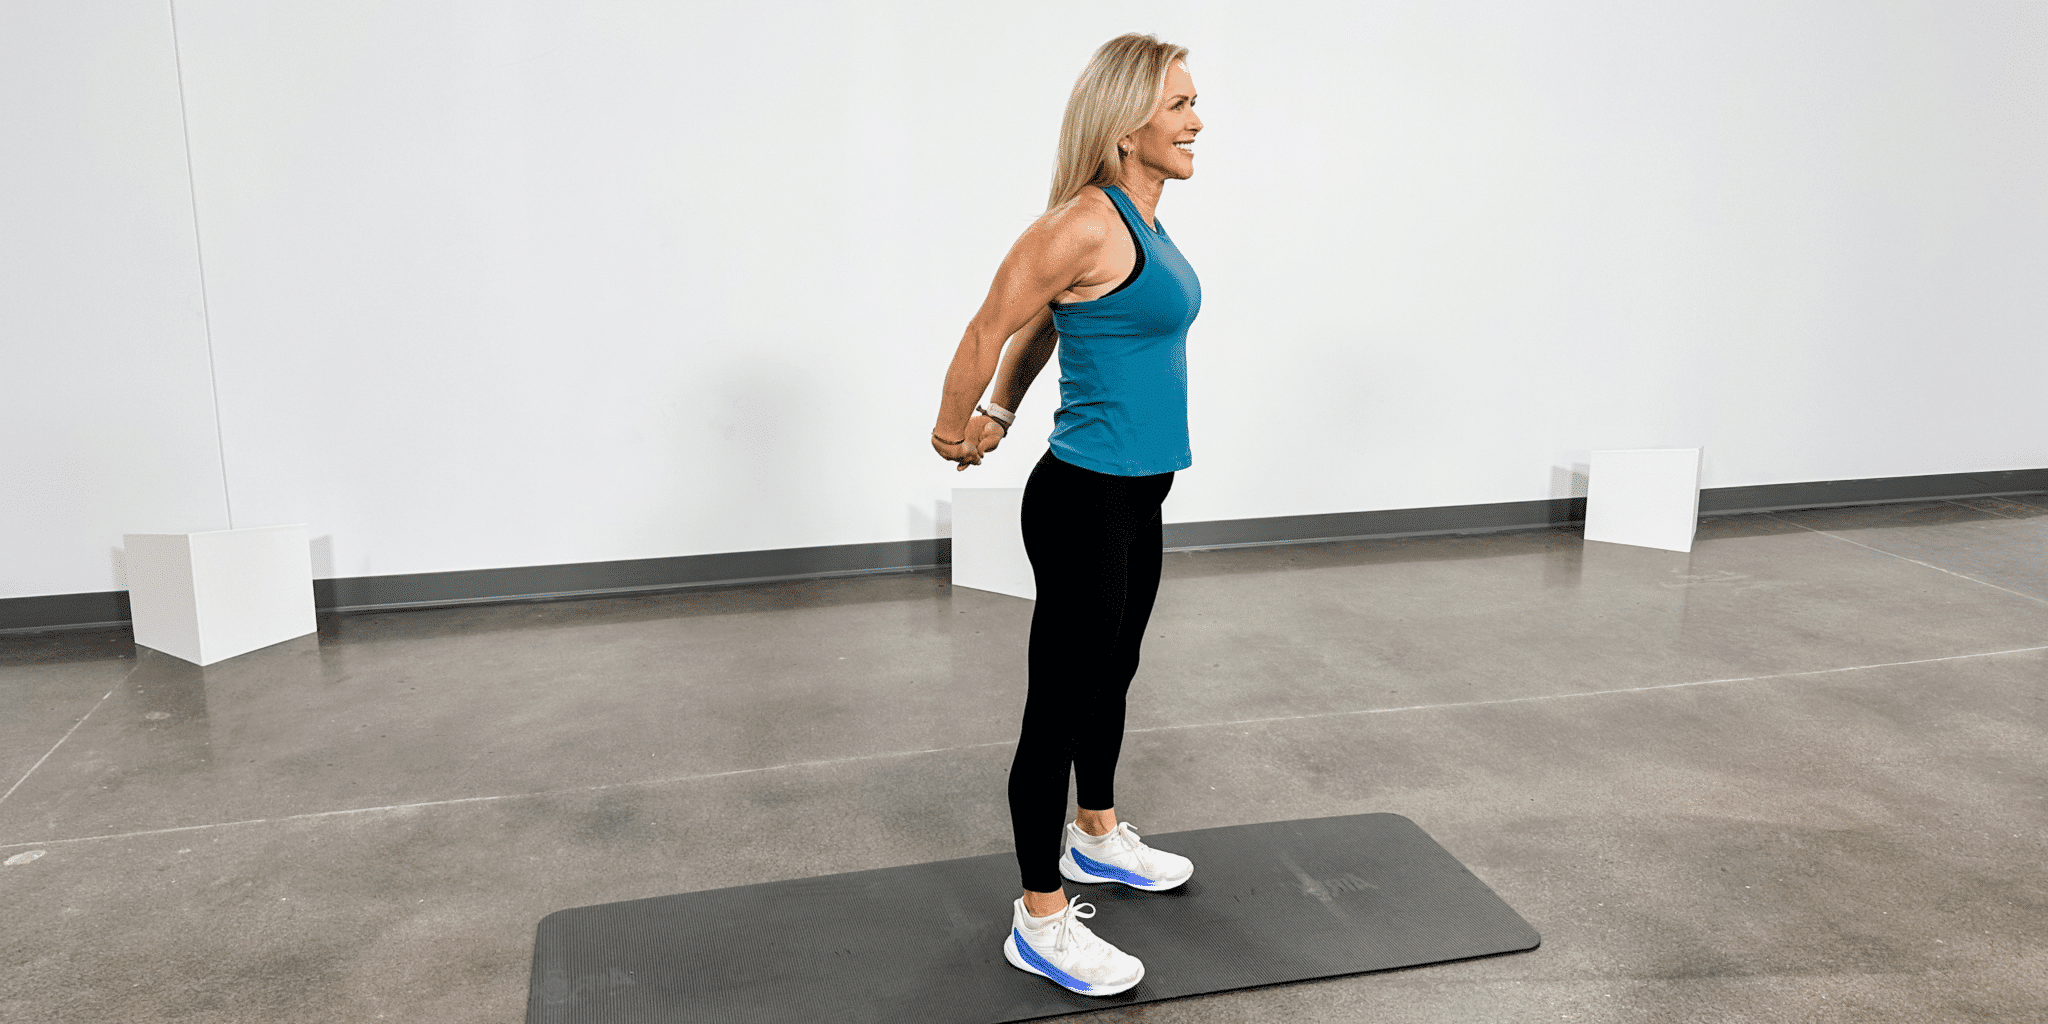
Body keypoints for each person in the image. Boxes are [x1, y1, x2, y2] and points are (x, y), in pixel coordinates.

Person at [929, 33, 1204, 997]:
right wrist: (955, 423)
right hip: (1085, 499)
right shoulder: (1083, 221)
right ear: (1128, 125)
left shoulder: (1143, 221)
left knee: (1115, 670)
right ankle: (1039, 916)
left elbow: (1054, 323)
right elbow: (992, 319)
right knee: (1060, 705)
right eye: (1179, 106)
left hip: (1142, 491)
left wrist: (1004, 403)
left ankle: (1095, 838)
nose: (1196, 121)